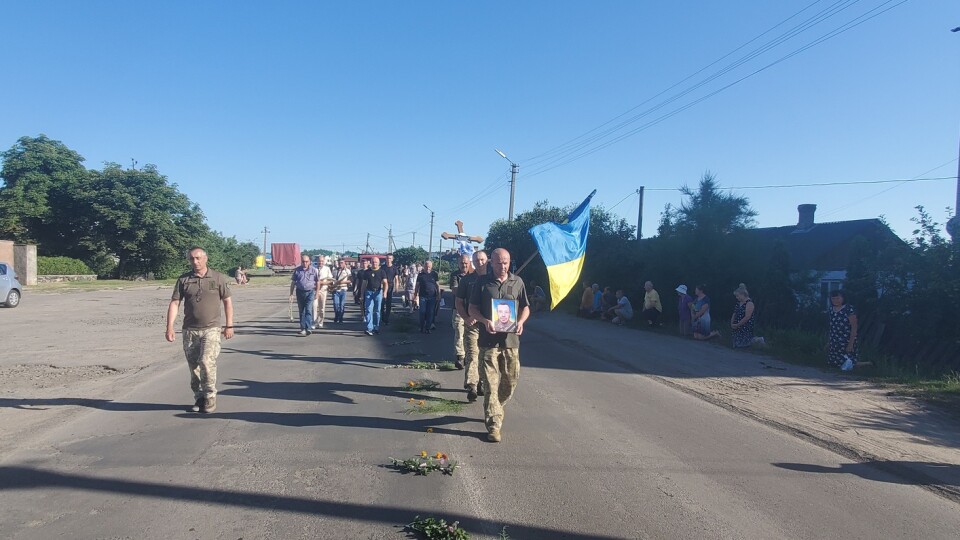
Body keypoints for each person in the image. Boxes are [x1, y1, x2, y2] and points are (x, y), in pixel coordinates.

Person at [469, 248, 530, 443]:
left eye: (505, 262)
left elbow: (525, 307)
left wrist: (520, 322)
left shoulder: (517, 281)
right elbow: (472, 308)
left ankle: (496, 408)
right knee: (490, 384)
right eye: (498, 263)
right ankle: (494, 425)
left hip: (511, 342)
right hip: (488, 342)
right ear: (491, 263)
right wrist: (484, 320)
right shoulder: (481, 282)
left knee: (510, 382)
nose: (502, 266)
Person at [166, 246, 234, 414]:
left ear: (205, 258)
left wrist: (229, 325)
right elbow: (175, 303)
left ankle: (210, 396)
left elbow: (227, 301)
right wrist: (169, 327)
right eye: (191, 259)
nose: (194, 262)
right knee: (194, 366)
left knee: (206, 361)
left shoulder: (218, 278)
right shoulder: (184, 280)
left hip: (211, 328)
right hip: (190, 330)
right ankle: (199, 397)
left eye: (198, 258)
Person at [456, 249, 489, 401]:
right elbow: (459, 302)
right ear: (473, 263)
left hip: (488, 326)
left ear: (487, 260)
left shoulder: (494, 279)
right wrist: (466, 317)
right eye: (476, 261)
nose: (480, 263)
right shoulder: (467, 280)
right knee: (472, 354)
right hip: (472, 325)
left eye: (482, 260)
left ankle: (482, 382)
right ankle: (472, 386)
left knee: (485, 357)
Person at [450, 254, 473, 369]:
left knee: (471, 334)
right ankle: (460, 356)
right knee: (459, 332)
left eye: (466, 263)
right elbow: (455, 290)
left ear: (469, 263)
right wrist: (469, 291)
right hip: (459, 308)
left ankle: (470, 355)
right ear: (458, 263)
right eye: (461, 263)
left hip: (472, 309)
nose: (464, 265)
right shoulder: (455, 275)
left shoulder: (474, 275)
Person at [827, 289, 858, 370]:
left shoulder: (848, 309)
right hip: (834, 339)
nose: (835, 300)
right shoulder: (831, 309)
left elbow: (854, 327)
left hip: (845, 339)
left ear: (843, 298)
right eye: (833, 298)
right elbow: (832, 326)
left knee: (847, 361)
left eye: (838, 298)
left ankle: (868, 364)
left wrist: (851, 343)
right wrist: (829, 341)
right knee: (833, 362)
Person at [289, 255, 319, 336]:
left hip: (310, 292)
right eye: (303, 261)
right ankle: (303, 329)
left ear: (309, 262)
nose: (305, 263)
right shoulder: (297, 270)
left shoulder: (313, 270)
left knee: (309, 310)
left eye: (306, 261)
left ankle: (308, 328)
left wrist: (317, 292)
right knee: (302, 311)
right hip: (300, 292)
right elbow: (293, 283)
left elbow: (317, 282)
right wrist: (291, 294)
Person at [359, 256, 389, 335]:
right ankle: (369, 328)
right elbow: (364, 284)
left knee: (377, 311)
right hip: (369, 293)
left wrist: (385, 293)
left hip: (378, 293)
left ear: (378, 263)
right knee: (368, 310)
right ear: (370, 263)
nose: (374, 263)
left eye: (376, 262)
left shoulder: (382, 272)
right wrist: (362, 294)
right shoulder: (367, 272)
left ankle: (376, 327)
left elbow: (385, 282)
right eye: (373, 262)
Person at [731, 283, 764, 348]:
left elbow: (747, 317)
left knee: (744, 344)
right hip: (737, 325)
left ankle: (759, 340)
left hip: (745, 326)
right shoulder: (738, 303)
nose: (736, 298)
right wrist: (732, 323)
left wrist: (738, 324)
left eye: (737, 296)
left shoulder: (749, 303)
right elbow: (734, 313)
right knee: (737, 344)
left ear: (743, 295)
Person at [414, 259, 440, 333]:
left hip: (432, 296)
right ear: (424, 266)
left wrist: (439, 295)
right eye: (426, 266)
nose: (427, 268)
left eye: (429, 266)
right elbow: (417, 286)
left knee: (430, 312)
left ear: (431, 267)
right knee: (422, 312)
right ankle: (422, 326)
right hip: (422, 296)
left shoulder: (434, 274)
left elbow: (437, 285)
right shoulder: (420, 275)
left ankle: (428, 328)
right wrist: (415, 295)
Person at [313, 255, 334, 329]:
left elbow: (331, 280)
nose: (320, 262)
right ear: (317, 261)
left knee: (322, 308)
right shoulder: (313, 269)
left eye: (322, 261)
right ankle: (314, 322)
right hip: (315, 290)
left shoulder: (327, 269)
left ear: (324, 261)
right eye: (319, 261)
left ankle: (320, 321)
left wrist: (322, 283)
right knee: (314, 306)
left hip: (323, 290)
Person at [330, 258, 352, 323]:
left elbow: (350, 280)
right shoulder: (334, 271)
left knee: (342, 304)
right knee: (336, 304)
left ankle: (341, 318)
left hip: (343, 289)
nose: (340, 264)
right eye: (339, 263)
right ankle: (337, 315)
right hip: (335, 289)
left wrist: (342, 282)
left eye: (342, 263)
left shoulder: (347, 271)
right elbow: (331, 279)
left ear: (344, 263)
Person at [381, 254, 400, 325]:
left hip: (390, 286)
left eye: (390, 258)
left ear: (392, 259)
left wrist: (396, 288)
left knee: (388, 303)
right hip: (383, 286)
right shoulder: (382, 267)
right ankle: (382, 317)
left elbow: (396, 279)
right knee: (382, 303)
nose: (388, 260)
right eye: (387, 258)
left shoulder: (394, 268)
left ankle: (387, 318)